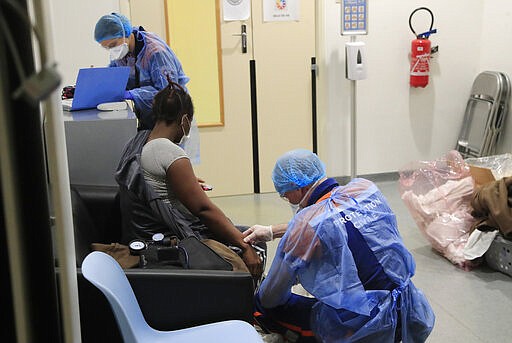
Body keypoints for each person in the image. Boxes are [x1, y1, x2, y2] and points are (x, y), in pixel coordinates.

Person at [243, 149, 435, 342]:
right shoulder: (364, 190)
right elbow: (336, 220)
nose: (288, 200)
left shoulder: (304, 227)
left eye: (285, 194)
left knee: (262, 306)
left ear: (298, 188)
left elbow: (271, 297)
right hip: (407, 307)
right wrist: (271, 231)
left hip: (365, 325)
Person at [115, 78, 263, 278]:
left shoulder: (138, 142)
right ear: (184, 120)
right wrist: (245, 247)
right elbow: (204, 210)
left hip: (141, 234)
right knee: (254, 241)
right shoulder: (169, 152)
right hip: (172, 239)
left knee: (242, 233)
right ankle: (252, 304)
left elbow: (158, 188)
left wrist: (188, 184)